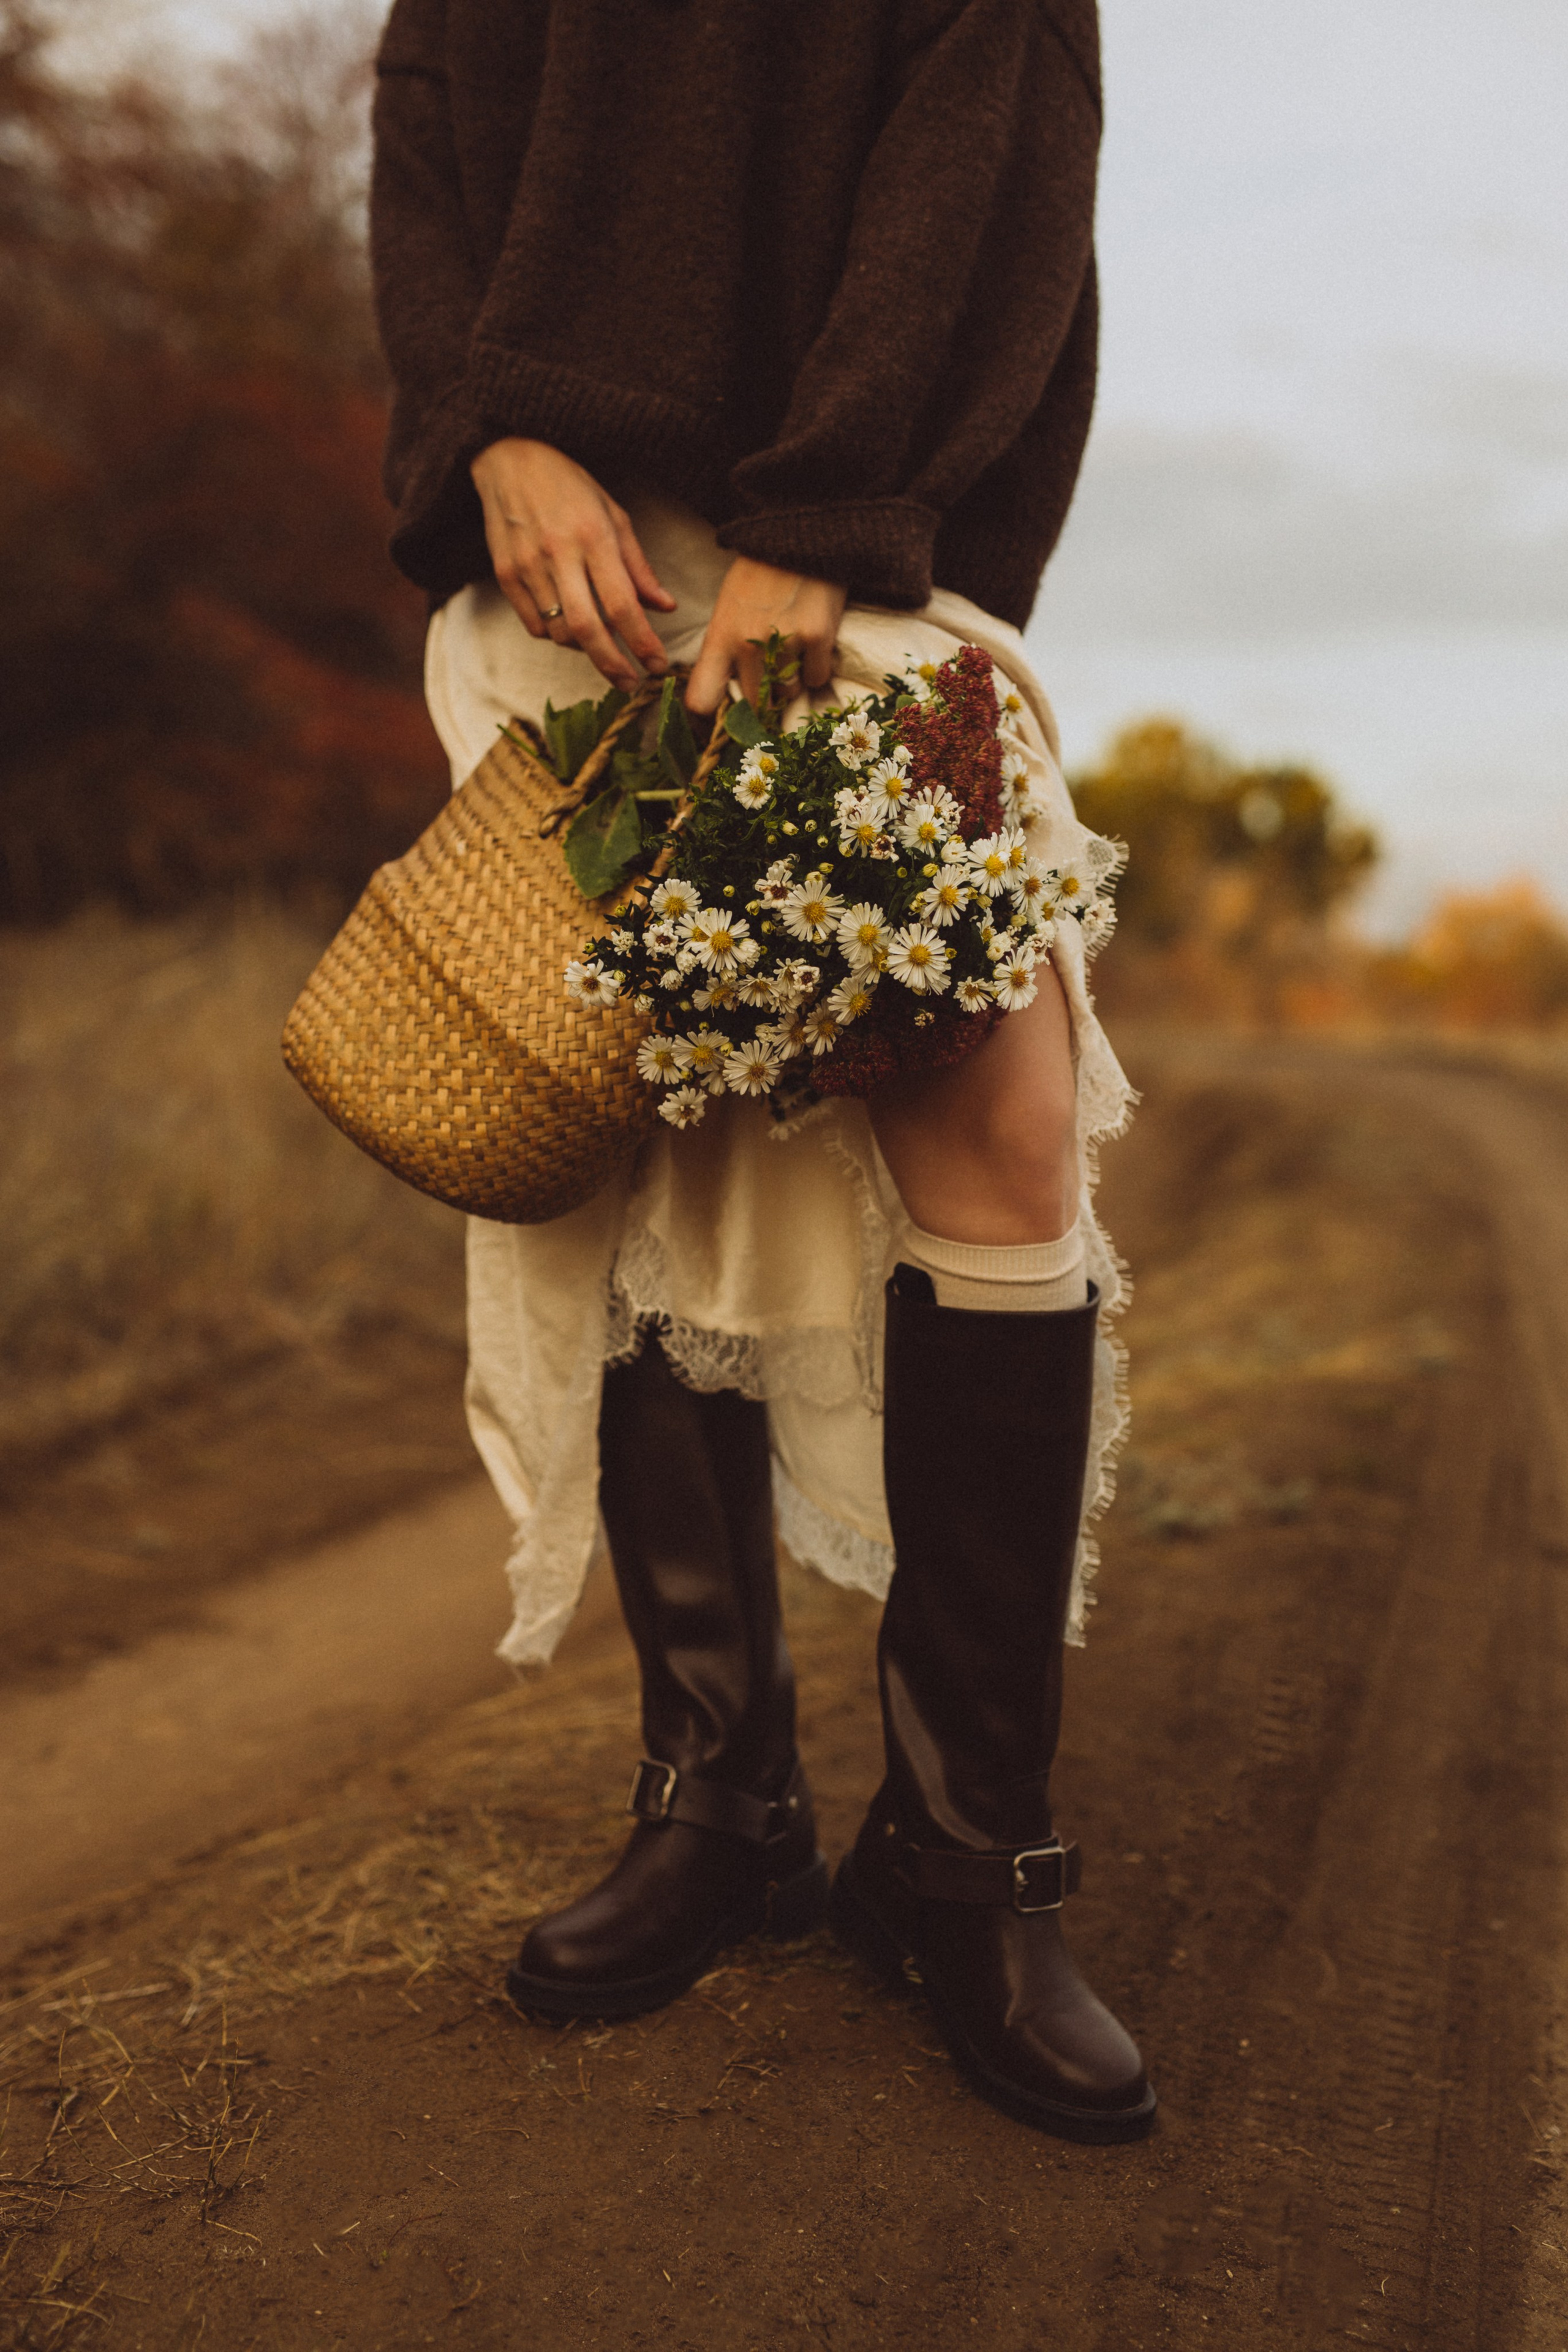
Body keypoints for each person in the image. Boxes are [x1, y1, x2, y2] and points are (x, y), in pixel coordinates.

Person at [370, 0, 1153, 2142]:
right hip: (577, 565)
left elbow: (1001, 112)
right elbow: (433, 105)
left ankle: (966, 1854)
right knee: (636, 1142)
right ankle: (724, 1802)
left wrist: (843, 500)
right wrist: (484, 427)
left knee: (995, 1127)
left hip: (861, 542)